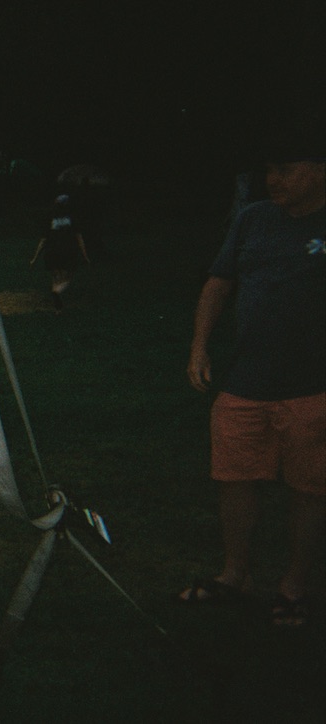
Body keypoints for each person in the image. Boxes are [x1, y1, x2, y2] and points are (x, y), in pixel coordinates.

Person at [179, 152, 325, 627]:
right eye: (270, 170)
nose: (273, 179)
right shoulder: (253, 219)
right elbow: (219, 284)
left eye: (287, 170)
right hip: (246, 380)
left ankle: (293, 587)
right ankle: (235, 574)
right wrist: (199, 347)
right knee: (234, 479)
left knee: (309, 487)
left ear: (320, 170)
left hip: (314, 385)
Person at [29, 193, 90, 310]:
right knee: (67, 278)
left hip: (51, 251)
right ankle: (57, 293)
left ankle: (58, 307)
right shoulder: (72, 218)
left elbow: (43, 240)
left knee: (56, 277)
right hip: (68, 251)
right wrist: (85, 255)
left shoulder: (50, 217)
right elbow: (79, 238)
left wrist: (34, 258)